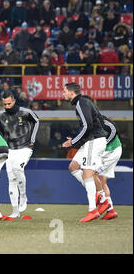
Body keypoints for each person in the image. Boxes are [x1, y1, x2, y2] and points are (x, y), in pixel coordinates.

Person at [61, 83, 107, 222]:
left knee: (88, 173)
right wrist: (76, 141)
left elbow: (88, 126)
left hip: (94, 141)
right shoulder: (82, 103)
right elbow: (90, 125)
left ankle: (93, 209)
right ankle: (100, 197)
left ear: (71, 92)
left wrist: (73, 142)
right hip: (90, 141)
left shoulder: (81, 103)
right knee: (73, 166)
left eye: (64, 91)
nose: (63, 94)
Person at [0, 91, 39, 219]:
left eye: (9, 103)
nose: (7, 106)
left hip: (25, 147)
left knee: (18, 169)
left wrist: (33, 139)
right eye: (5, 104)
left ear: (14, 101)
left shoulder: (25, 112)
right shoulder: (0, 116)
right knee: (11, 179)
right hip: (10, 150)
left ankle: (24, 196)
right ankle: (15, 211)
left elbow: (37, 121)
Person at [94, 115, 122, 220]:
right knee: (101, 180)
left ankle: (104, 203)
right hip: (106, 153)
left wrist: (103, 144)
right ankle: (110, 211)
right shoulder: (89, 123)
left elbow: (114, 130)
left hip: (112, 151)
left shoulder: (102, 120)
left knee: (93, 174)